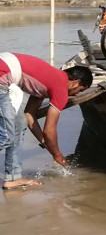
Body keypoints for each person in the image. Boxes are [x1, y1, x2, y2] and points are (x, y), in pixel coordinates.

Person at [0, 52, 92, 189]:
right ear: (76, 83)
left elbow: (29, 115)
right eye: (80, 90)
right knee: (7, 135)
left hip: (5, 71)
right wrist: (57, 154)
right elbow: (49, 130)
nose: (77, 94)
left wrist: (45, 143)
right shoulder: (61, 89)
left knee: (18, 124)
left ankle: (13, 178)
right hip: (3, 74)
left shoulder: (48, 82)